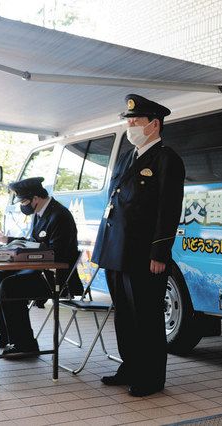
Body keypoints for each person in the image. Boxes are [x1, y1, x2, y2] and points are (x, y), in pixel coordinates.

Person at [92, 94, 185, 397]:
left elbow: (168, 209)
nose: (129, 124)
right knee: (124, 315)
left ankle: (151, 377)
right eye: (129, 120)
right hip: (118, 251)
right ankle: (129, 366)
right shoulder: (127, 157)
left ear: (154, 124)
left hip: (145, 254)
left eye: (135, 120)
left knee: (146, 316)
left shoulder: (166, 159)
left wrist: (160, 252)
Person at [0, 177, 82, 358]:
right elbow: (34, 243)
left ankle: (25, 343)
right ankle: (6, 335)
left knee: (10, 286)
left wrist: (25, 254)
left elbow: (56, 254)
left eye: (24, 201)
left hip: (55, 277)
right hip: (40, 271)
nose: (22, 206)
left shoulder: (59, 215)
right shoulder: (41, 213)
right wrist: (9, 242)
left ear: (36, 198)